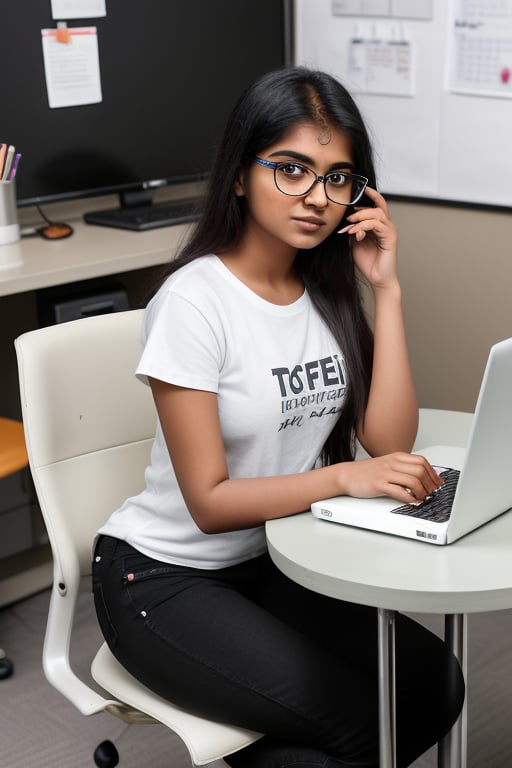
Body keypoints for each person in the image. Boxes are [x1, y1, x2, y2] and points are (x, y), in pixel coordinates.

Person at [93, 66, 464, 768]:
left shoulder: (321, 293)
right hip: (162, 578)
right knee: (353, 727)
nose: (316, 197)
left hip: (272, 562)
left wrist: (385, 289)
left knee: (432, 684)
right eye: (290, 169)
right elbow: (209, 504)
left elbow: (388, 443)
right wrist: (345, 479)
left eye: (337, 178)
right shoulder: (194, 302)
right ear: (239, 174)